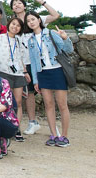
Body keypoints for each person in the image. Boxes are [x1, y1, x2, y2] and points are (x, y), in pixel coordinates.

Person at [11, 0, 60, 136]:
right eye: (14, 4)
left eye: (19, 3)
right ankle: (33, 122)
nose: (17, 5)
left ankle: (53, 126)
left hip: (41, 63)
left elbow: (55, 15)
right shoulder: (14, 23)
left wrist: (42, 2)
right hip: (24, 63)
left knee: (48, 95)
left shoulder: (34, 18)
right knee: (29, 93)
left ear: (25, 5)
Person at [26, 11, 73, 147]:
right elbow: (34, 62)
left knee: (62, 105)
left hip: (57, 70)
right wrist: (35, 81)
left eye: (33, 19)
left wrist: (65, 38)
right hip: (42, 73)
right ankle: (53, 134)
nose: (31, 22)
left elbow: (68, 50)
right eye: (29, 21)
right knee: (48, 105)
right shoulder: (31, 40)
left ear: (39, 20)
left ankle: (64, 136)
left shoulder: (51, 33)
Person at [0, 17, 28, 141]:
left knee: (17, 102)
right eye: (13, 24)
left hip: (18, 73)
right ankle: (4, 127)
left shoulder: (20, 40)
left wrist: (25, 72)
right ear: (9, 24)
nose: (15, 27)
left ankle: (16, 127)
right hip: (3, 71)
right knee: (4, 102)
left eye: (18, 26)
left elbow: (22, 57)